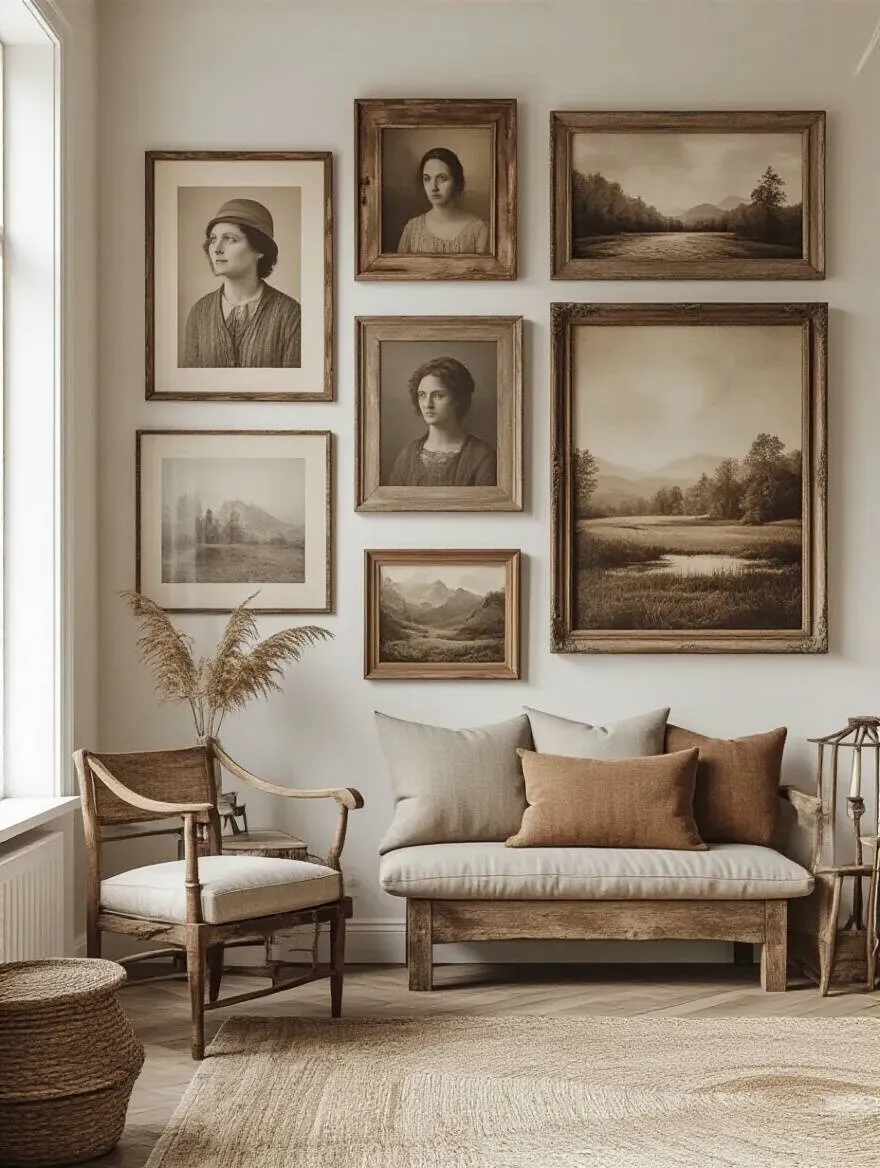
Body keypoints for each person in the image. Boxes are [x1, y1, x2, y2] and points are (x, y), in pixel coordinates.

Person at [183, 197, 301, 368]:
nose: (216, 249)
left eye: (229, 239)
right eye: (213, 239)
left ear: (259, 249)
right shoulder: (199, 313)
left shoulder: (290, 315)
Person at [387, 356, 496, 488]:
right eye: (422, 395)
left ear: (457, 399)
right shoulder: (407, 455)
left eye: (438, 395)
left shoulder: (481, 455)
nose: (427, 404)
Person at [396, 148, 490, 255]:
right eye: (427, 179)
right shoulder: (412, 229)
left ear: (457, 182)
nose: (434, 187)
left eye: (442, 178)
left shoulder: (478, 230)